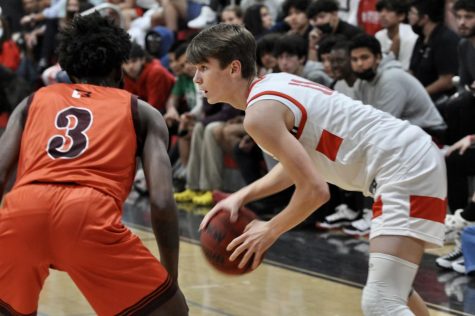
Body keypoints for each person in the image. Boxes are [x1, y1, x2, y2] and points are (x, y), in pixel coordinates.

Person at [191, 24, 446, 315]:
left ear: (233, 68)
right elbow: (299, 166)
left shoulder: (260, 115)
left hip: (402, 166)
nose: (197, 77)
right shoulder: (274, 85)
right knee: (394, 288)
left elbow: (315, 190)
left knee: (381, 301)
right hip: (411, 157)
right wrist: (243, 195)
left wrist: (270, 229)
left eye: (203, 67)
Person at [0, 13, 188, 315]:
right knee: (170, 312)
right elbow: (163, 200)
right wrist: (169, 279)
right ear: (119, 68)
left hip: (23, 209)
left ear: (68, 68)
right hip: (87, 213)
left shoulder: (33, 100)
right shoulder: (143, 112)